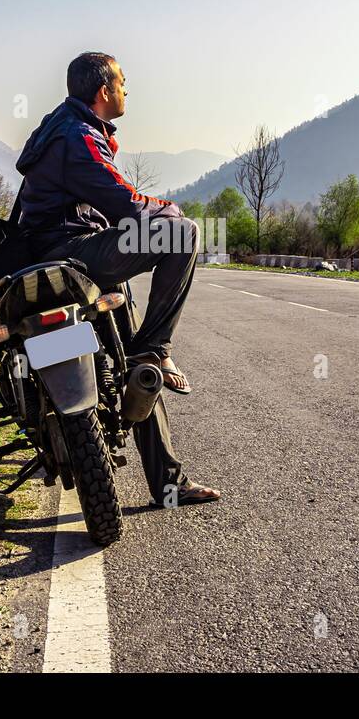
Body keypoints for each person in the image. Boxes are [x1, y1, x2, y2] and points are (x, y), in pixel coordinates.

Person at [14, 52, 220, 506]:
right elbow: (127, 204)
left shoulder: (66, 128)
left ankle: (168, 482)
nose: (128, 90)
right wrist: (171, 210)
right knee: (181, 235)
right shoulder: (79, 137)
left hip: (60, 251)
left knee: (134, 366)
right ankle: (156, 348)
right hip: (71, 253)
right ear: (104, 91)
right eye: (124, 82)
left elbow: (108, 204)